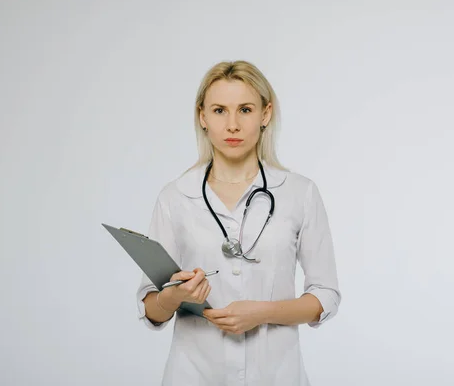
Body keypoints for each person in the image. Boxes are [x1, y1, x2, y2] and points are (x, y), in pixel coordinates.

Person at [136, 60, 341, 385]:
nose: (232, 125)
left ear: (265, 114)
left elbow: (325, 295)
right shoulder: (175, 197)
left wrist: (263, 312)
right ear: (202, 117)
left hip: (276, 374)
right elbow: (151, 307)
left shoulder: (299, 193)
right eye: (219, 111)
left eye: (245, 109)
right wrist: (176, 295)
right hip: (194, 374)